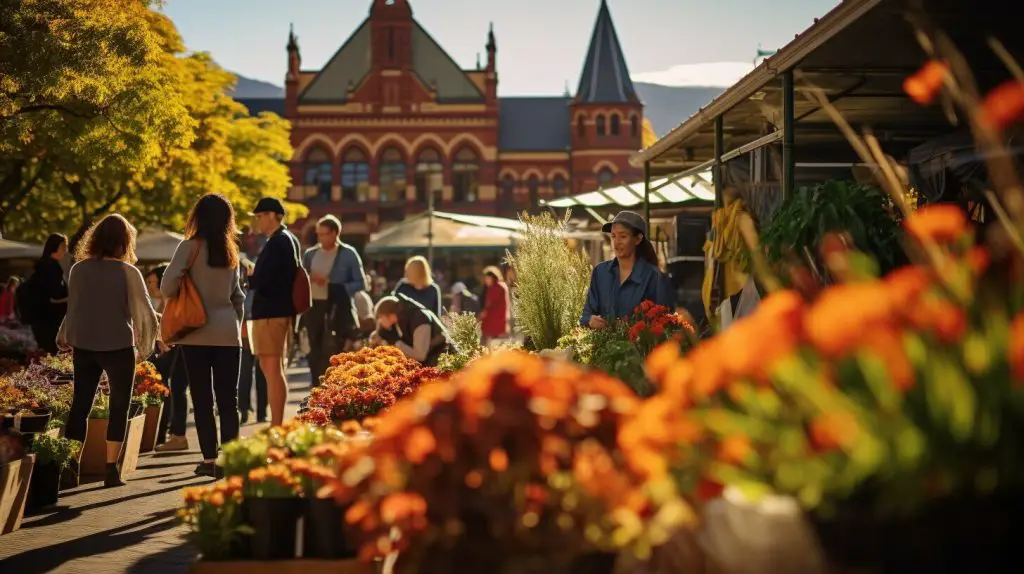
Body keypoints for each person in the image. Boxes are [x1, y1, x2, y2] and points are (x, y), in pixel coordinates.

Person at [57, 214, 158, 488]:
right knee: (119, 406)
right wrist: (156, 336)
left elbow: (74, 308)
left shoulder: (78, 269)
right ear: (125, 241)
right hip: (118, 347)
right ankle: (111, 470)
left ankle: (70, 468)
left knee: (80, 406)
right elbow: (147, 314)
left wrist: (64, 335)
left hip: (85, 346)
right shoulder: (129, 272)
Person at [161, 194, 245, 477]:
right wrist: (235, 326)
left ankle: (209, 460)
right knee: (228, 400)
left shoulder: (189, 247)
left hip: (195, 334)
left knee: (202, 399)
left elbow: (167, 287)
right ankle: (231, 459)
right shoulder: (231, 252)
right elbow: (238, 297)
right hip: (228, 333)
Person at [247, 197, 304, 426]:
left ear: (272, 215)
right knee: (272, 368)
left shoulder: (278, 241)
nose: (258, 221)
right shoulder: (286, 240)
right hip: (276, 312)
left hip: (272, 313)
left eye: (260, 216)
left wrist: (252, 275)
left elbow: (264, 279)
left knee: (271, 368)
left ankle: (276, 425)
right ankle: (276, 424)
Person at [300, 215, 365, 386]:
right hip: (313, 307)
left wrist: (333, 285)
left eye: (324, 234)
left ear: (335, 233)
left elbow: (361, 283)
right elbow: (299, 279)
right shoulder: (310, 254)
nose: (321, 238)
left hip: (338, 310)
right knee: (313, 353)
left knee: (334, 352)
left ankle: (335, 390)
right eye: (318, 234)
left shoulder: (348, 254)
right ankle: (316, 389)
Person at [581, 211, 675, 328]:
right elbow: (586, 314)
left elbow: (665, 323)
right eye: (613, 236)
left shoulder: (655, 277)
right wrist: (590, 320)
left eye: (623, 236)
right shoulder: (600, 272)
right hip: (603, 344)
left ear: (638, 239)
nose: (616, 242)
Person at [370, 294, 454, 367]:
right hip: (435, 362)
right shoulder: (399, 321)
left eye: (380, 317)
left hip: (447, 361)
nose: (379, 321)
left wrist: (396, 343)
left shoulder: (419, 319)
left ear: (391, 315)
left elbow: (420, 355)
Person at [28, 233, 70, 354]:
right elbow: (55, 295)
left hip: (41, 318)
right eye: (63, 247)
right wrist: (71, 298)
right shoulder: (51, 267)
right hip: (50, 319)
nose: (65, 250)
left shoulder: (43, 265)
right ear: (55, 247)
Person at [239, 261, 267, 424]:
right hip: (243, 334)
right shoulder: (237, 289)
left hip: (259, 331)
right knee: (244, 374)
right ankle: (243, 409)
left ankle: (262, 412)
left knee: (261, 374)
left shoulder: (259, 289)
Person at [480, 266, 511, 342]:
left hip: (493, 322)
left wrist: (480, 316)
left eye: (487, 278)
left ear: (493, 277)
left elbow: (488, 304)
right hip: (500, 321)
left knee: (489, 345)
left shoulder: (495, 287)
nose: (485, 281)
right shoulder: (502, 285)